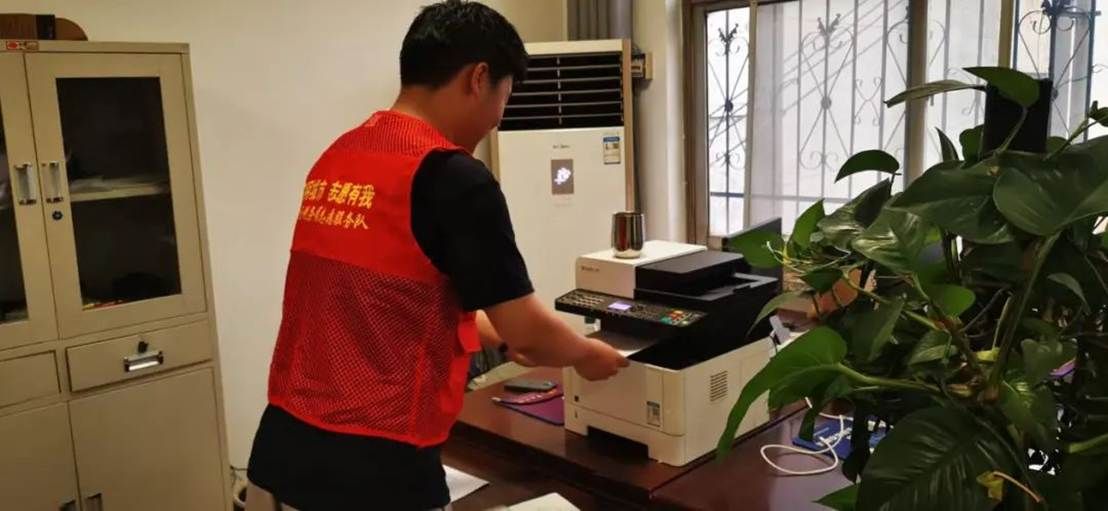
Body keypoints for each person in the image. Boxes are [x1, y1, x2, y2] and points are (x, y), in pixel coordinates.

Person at [245, 1, 629, 509]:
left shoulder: (340, 155)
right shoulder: (454, 178)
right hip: (377, 470)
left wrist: (496, 336)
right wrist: (588, 355)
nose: (498, 119)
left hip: (280, 454)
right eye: (504, 98)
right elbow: (528, 333)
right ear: (479, 78)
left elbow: (386, 302)